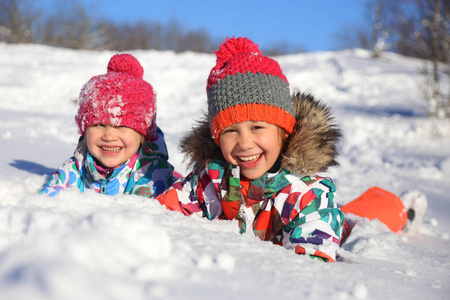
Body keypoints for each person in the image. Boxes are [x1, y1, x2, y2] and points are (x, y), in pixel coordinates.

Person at [154, 37, 344, 262]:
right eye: (230, 131)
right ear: (217, 138)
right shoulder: (209, 180)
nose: (244, 143)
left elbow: (313, 259)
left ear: (284, 131)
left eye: (257, 127)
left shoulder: (306, 193)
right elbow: (160, 219)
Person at [40, 53, 176, 197]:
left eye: (122, 126)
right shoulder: (76, 168)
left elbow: (142, 215)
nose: (109, 136)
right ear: (85, 131)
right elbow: (46, 203)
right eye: (99, 125)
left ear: (142, 135)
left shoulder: (152, 175)